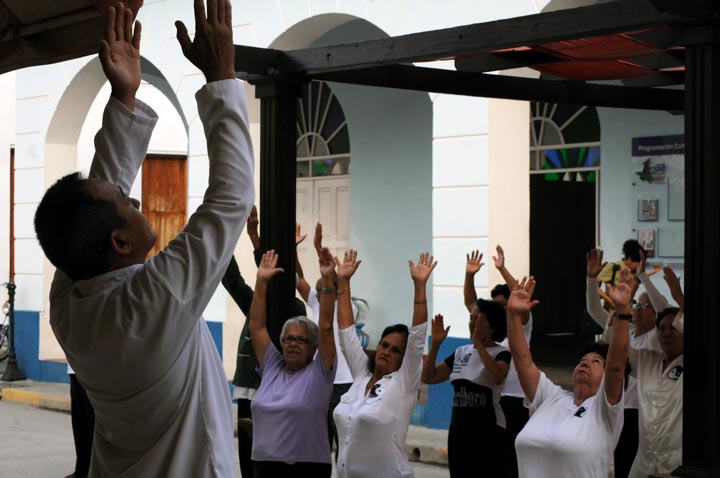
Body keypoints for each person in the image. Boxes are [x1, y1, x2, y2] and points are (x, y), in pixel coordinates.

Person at [34, 2, 253, 476]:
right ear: (119, 243)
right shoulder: (150, 300)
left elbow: (98, 198)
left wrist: (125, 95)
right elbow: (230, 199)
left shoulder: (72, 303)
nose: (134, 200)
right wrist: (221, 75)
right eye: (125, 201)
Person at [510, 269, 630, 478]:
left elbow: (616, 367)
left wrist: (622, 311)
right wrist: (512, 315)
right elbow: (523, 363)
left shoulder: (604, 410)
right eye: (582, 361)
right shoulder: (552, 396)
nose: (585, 363)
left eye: (596, 362)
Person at [333, 250, 436, 478]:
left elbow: (418, 337)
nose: (387, 351)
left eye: (396, 350)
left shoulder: (402, 384)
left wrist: (420, 286)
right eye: (384, 345)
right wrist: (343, 282)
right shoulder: (361, 375)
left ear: (404, 359)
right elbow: (346, 334)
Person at [249, 249, 337, 477]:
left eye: (301, 340)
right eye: (288, 339)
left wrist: (328, 280)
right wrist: (261, 282)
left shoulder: (320, 372)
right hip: (264, 465)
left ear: (314, 346)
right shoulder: (272, 366)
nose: (293, 344)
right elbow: (257, 327)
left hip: (305, 467)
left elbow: (326, 328)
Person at [464, 245, 532, 478]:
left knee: (512, 457)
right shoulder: (489, 331)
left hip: (515, 399)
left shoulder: (521, 324)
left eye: (504, 304)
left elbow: (520, 296)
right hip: (492, 398)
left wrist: (502, 268)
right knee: (490, 458)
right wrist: (469, 276)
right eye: (496, 305)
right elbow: (471, 304)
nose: (499, 309)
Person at [421, 301, 510, 477]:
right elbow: (429, 377)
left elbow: (498, 376)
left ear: (492, 326)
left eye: (477, 318)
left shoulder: (501, 353)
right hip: (459, 431)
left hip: (488, 432)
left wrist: (480, 345)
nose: (471, 323)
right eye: (471, 318)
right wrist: (436, 344)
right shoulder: (462, 351)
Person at [296, 222, 357, 460]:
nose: (320, 291)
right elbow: (299, 278)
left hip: (344, 383)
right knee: (320, 442)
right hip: (323, 381)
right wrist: (297, 249)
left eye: (325, 286)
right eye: (319, 290)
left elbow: (331, 279)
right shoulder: (317, 303)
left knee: (344, 445)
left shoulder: (345, 305)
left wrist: (320, 248)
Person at [628, 267, 684, 478]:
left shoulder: (697, 363)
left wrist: (678, 298)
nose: (666, 333)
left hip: (676, 465)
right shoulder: (646, 361)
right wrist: (624, 303)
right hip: (643, 464)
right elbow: (618, 342)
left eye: (673, 328)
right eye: (661, 328)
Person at [64, 365, 95, 478]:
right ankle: (82, 468)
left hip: (91, 367)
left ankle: (94, 469)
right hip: (74, 368)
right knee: (79, 422)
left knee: (92, 421)